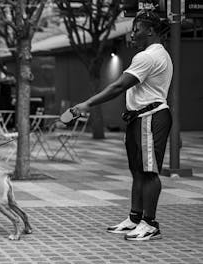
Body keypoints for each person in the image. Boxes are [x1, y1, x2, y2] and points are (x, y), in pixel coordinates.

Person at [72, 10, 172, 241]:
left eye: (136, 30)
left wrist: (87, 103)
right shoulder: (154, 54)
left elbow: (118, 86)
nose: (133, 34)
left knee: (149, 172)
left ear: (150, 31)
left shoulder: (149, 57)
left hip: (151, 117)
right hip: (139, 118)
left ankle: (150, 223)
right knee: (137, 171)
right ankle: (135, 218)